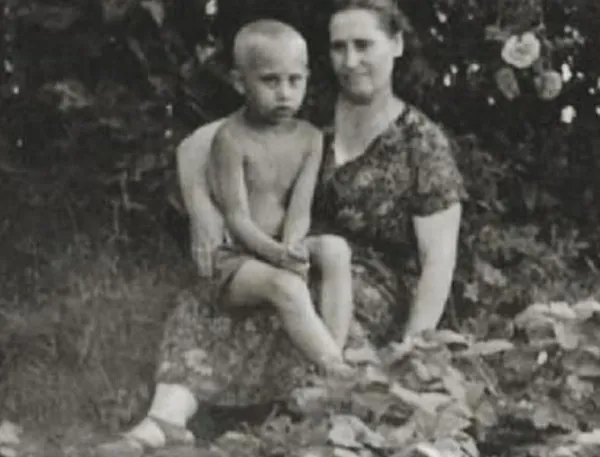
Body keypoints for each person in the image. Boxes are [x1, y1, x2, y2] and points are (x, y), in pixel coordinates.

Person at [96, 0, 466, 454]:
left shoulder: (421, 142)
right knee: (206, 294)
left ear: (397, 44)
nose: (350, 61)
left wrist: (413, 351)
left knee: (284, 299)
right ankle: (164, 420)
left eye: (364, 45)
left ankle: (329, 408)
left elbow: (439, 259)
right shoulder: (305, 103)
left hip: (371, 284)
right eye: (339, 48)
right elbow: (197, 145)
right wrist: (202, 211)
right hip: (293, 250)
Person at [206, 19, 354, 375]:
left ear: (306, 77)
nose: (285, 93)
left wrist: (292, 247)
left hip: (281, 245)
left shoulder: (310, 138)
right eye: (270, 81)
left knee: (335, 248)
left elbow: (299, 208)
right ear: (240, 82)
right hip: (238, 259)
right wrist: (276, 256)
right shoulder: (231, 138)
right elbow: (236, 217)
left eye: (294, 80)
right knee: (286, 286)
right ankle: (340, 374)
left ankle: (332, 354)